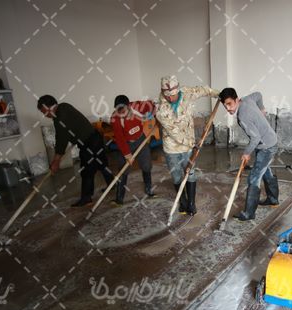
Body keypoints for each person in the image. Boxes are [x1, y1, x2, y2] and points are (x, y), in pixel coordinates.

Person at [156, 75, 219, 215]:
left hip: (188, 147)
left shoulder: (187, 93)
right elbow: (174, 132)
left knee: (190, 172)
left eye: (173, 95)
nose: (171, 98)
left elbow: (203, 90)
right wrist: (192, 144)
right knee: (176, 176)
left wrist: (218, 94)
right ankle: (182, 201)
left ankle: (191, 202)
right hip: (171, 147)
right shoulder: (160, 109)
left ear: (178, 90)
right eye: (167, 96)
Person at [37, 95, 114, 207]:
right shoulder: (64, 106)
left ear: (48, 107)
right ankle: (113, 185)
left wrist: (56, 161)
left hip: (89, 143)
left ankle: (86, 198)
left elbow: (61, 139)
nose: (44, 115)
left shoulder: (59, 118)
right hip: (95, 137)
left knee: (87, 170)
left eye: (43, 111)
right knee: (101, 163)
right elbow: (72, 128)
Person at [219, 88, 279, 221]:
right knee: (265, 171)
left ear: (236, 100)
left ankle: (249, 213)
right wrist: (262, 108)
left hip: (266, 147)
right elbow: (258, 94)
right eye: (225, 105)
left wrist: (246, 153)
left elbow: (255, 138)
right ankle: (273, 199)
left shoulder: (243, 116)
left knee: (253, 178)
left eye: (229, 104)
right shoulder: (246, 99)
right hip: (269, 141)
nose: (228, 108)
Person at [110, 95, 156, 205]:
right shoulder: (115, 119)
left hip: (140, 139)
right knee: (123, 168)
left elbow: (151, 104)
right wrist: (127, 155)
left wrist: (152, 112)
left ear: (128, 105)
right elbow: (119, 139)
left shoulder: (137, 107)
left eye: (123, 109)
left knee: (146, 164)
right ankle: (119, 199)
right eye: (118, 110)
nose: (121, 112)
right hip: (126, 143)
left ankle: (149, 190)